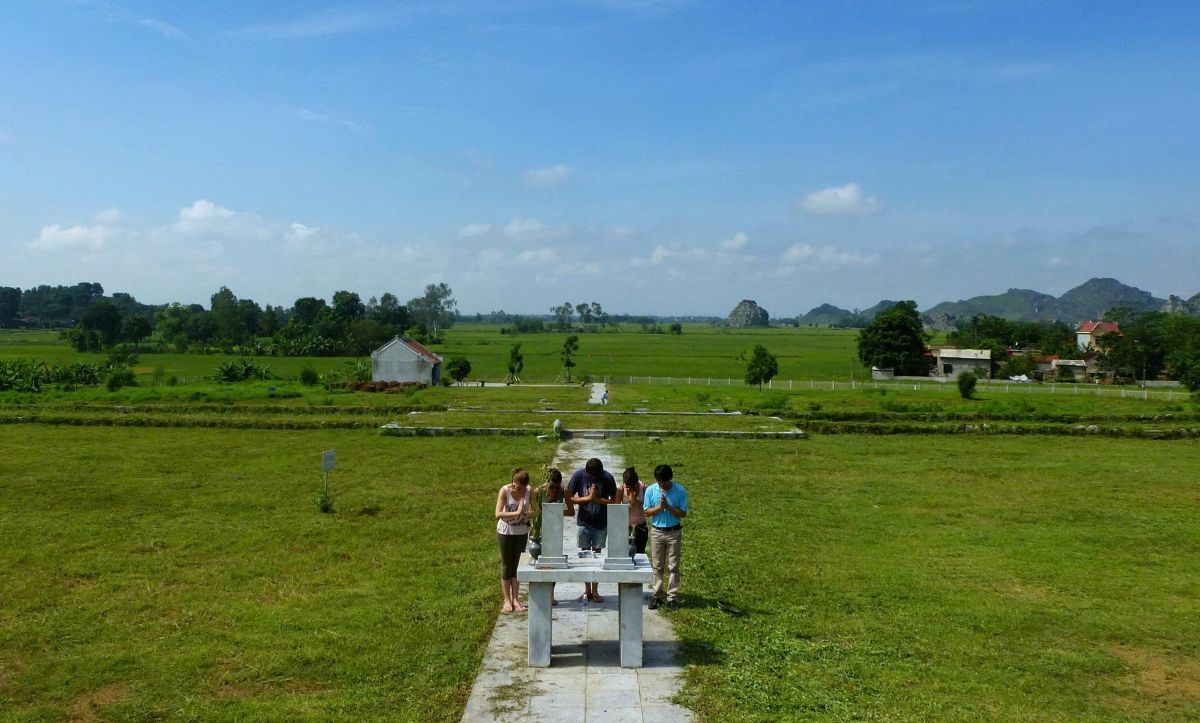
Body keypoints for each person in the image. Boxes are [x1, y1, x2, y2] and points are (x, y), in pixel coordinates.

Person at [567, 457, 617, 603]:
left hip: (601, 523)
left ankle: (595, 590)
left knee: (597, 558)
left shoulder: (607, 478)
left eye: (597, 476)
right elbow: (569, 498)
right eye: (592, 476)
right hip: (584, 522)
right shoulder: (579, 476)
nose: (594, 478)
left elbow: (614, 501)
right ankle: (586, 590)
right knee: (584, 557)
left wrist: (598, 500)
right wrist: (588, 498)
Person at [644, 463, 687, 611]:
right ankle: (657, 594)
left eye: (664, 481)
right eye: (659, 481)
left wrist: (668, 507)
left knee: (673, 566)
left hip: (674, 532)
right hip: (657, 532)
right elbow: (647, 512)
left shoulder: (680, 491)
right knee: (657, 565)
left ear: (670, 479)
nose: (662, 484)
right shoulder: (651, 490)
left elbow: (683, 513)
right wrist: (660, 508)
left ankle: (672, 597)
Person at [495, 468, 532, 614]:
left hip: (521, 531)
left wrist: (526, 512)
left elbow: (533, 511)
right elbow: (498, 513)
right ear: (513, 481)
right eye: (517, 486)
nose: (520, 490)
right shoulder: (504, 491)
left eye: (522, 488)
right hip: (506, 531)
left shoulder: (528, 490)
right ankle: (507, 600)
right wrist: (517, 512)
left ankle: (516, 598)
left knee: (517, 564)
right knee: (507, 563)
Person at [536, 468, 574, 605]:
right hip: (540, 531)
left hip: (554, 532)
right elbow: (533, 511)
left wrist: (556, 511)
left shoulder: (563, 491)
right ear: (546, 483)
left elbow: (571, 511)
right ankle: (540, 593)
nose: (553, 490)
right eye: (551, 486)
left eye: (556, 487)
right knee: (539, 564)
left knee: (553, 564)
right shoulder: (539, 491)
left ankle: (551, 595)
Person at [618, 467, 648, 555]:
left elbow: (647, 507)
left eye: (632, 486)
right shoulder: (621, 489)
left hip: (640, 526)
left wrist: (634, 498)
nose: (629, 488)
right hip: (625, 527)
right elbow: (616, 508)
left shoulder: (644, 488)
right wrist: (630, 502)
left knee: (639, 553)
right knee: (623, 553)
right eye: (627, 486)